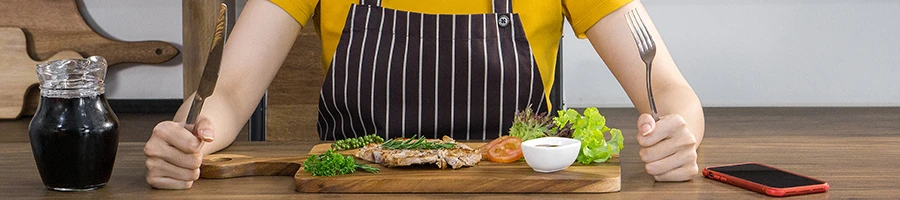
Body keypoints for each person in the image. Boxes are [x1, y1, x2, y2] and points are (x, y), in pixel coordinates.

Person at [143, 0, 705, 189]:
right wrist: (191, 136)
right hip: (351, 196)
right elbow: (230, 90)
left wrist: (679, 134)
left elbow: (670, 90)